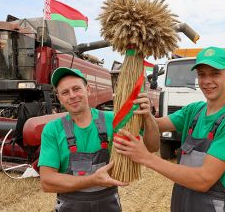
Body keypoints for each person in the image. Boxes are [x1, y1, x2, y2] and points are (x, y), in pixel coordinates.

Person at [114, 46, 225, 212]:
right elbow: (156, 125)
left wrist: (145, 158)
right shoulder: (195, 111)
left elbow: (204, 180)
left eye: (215, 73)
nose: (207, 80)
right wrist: (143, 112)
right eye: (202, 74)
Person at [38, 67, 159, 212]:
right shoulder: (53, 130)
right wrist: (92, 180)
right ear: (59, 98)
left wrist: (147, 116)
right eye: (65, 92)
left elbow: (152, 147)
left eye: (76, 88)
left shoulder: (113, 119)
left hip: (108, 205)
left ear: (88, 89)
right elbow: (47, 182)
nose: (72, 95)